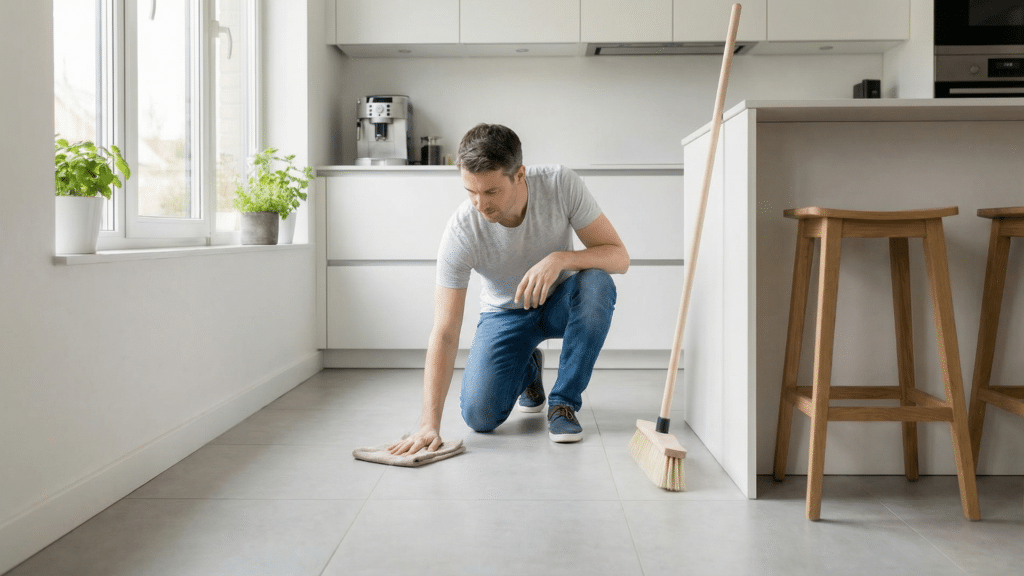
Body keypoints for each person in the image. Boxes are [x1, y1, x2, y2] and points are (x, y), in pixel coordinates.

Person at [388, 123, 628, 456]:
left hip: (560, 300)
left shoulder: (560, 184)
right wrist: (429, 424)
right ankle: (528, 368)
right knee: (479, 416)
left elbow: (619, 257)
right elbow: (444, 332)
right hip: (504, 314)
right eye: (470, 191)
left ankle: (563, 404)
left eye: (490, 192)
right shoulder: (462, 230)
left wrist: (560, 259)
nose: (479, 204)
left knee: (598, 282)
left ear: (519, 175)